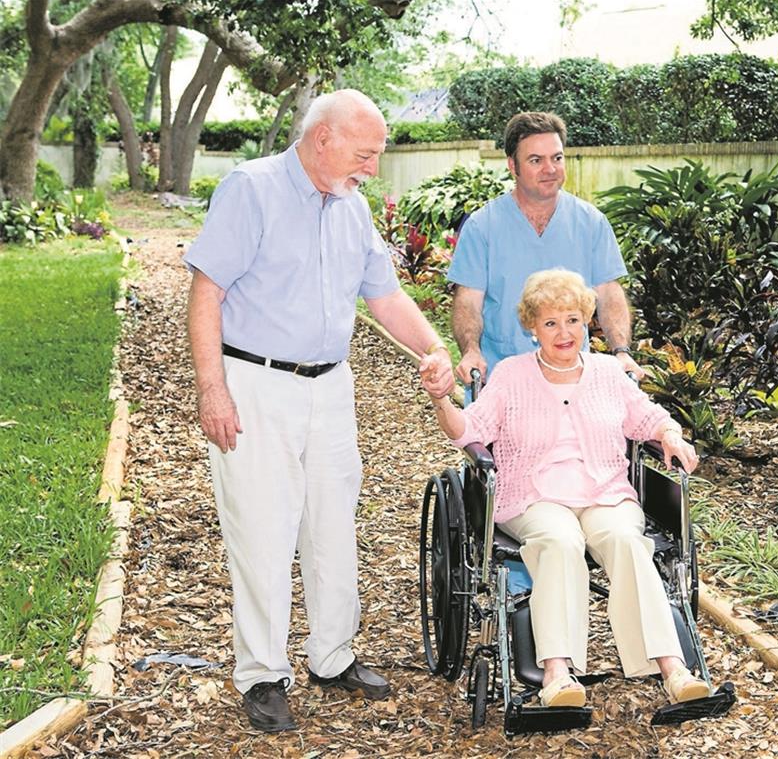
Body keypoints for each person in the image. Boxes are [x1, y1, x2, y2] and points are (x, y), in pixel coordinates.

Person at [184, 89, 453, 733]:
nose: (372, 169)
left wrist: (433, 345)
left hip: (331, 386)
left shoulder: (353, 208)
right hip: (256, 384)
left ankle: (332, 657)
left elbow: (384, 298)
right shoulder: (252, 189)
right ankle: (263, 674)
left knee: (333, 523)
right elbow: (207, 289)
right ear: (323, 138)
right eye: (365, 154)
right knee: (263, 532)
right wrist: (211, 387)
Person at [420, 269, 710, 708]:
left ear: (586, 322)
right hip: (533, 495)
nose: (564, 332)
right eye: (551, 322)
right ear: (532, 328)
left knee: (626, 540)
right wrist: (442, 398)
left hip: (605, 492)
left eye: (573, 320)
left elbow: (648, 417)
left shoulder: (609, 373)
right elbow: (468, 431)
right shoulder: (512, 376)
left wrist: (671, 436)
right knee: (559, 541)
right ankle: (557, 672)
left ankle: (672, 667)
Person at [447, 111, 644, 384]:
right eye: (536, 160)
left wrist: (621, 351)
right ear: (512, 166)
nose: (550, 169)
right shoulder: (483, 226)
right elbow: (468, 301)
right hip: (501, 378)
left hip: (571, 381)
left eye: (557, 158)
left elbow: (609, 292)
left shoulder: (591, 222)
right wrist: (471, 351)